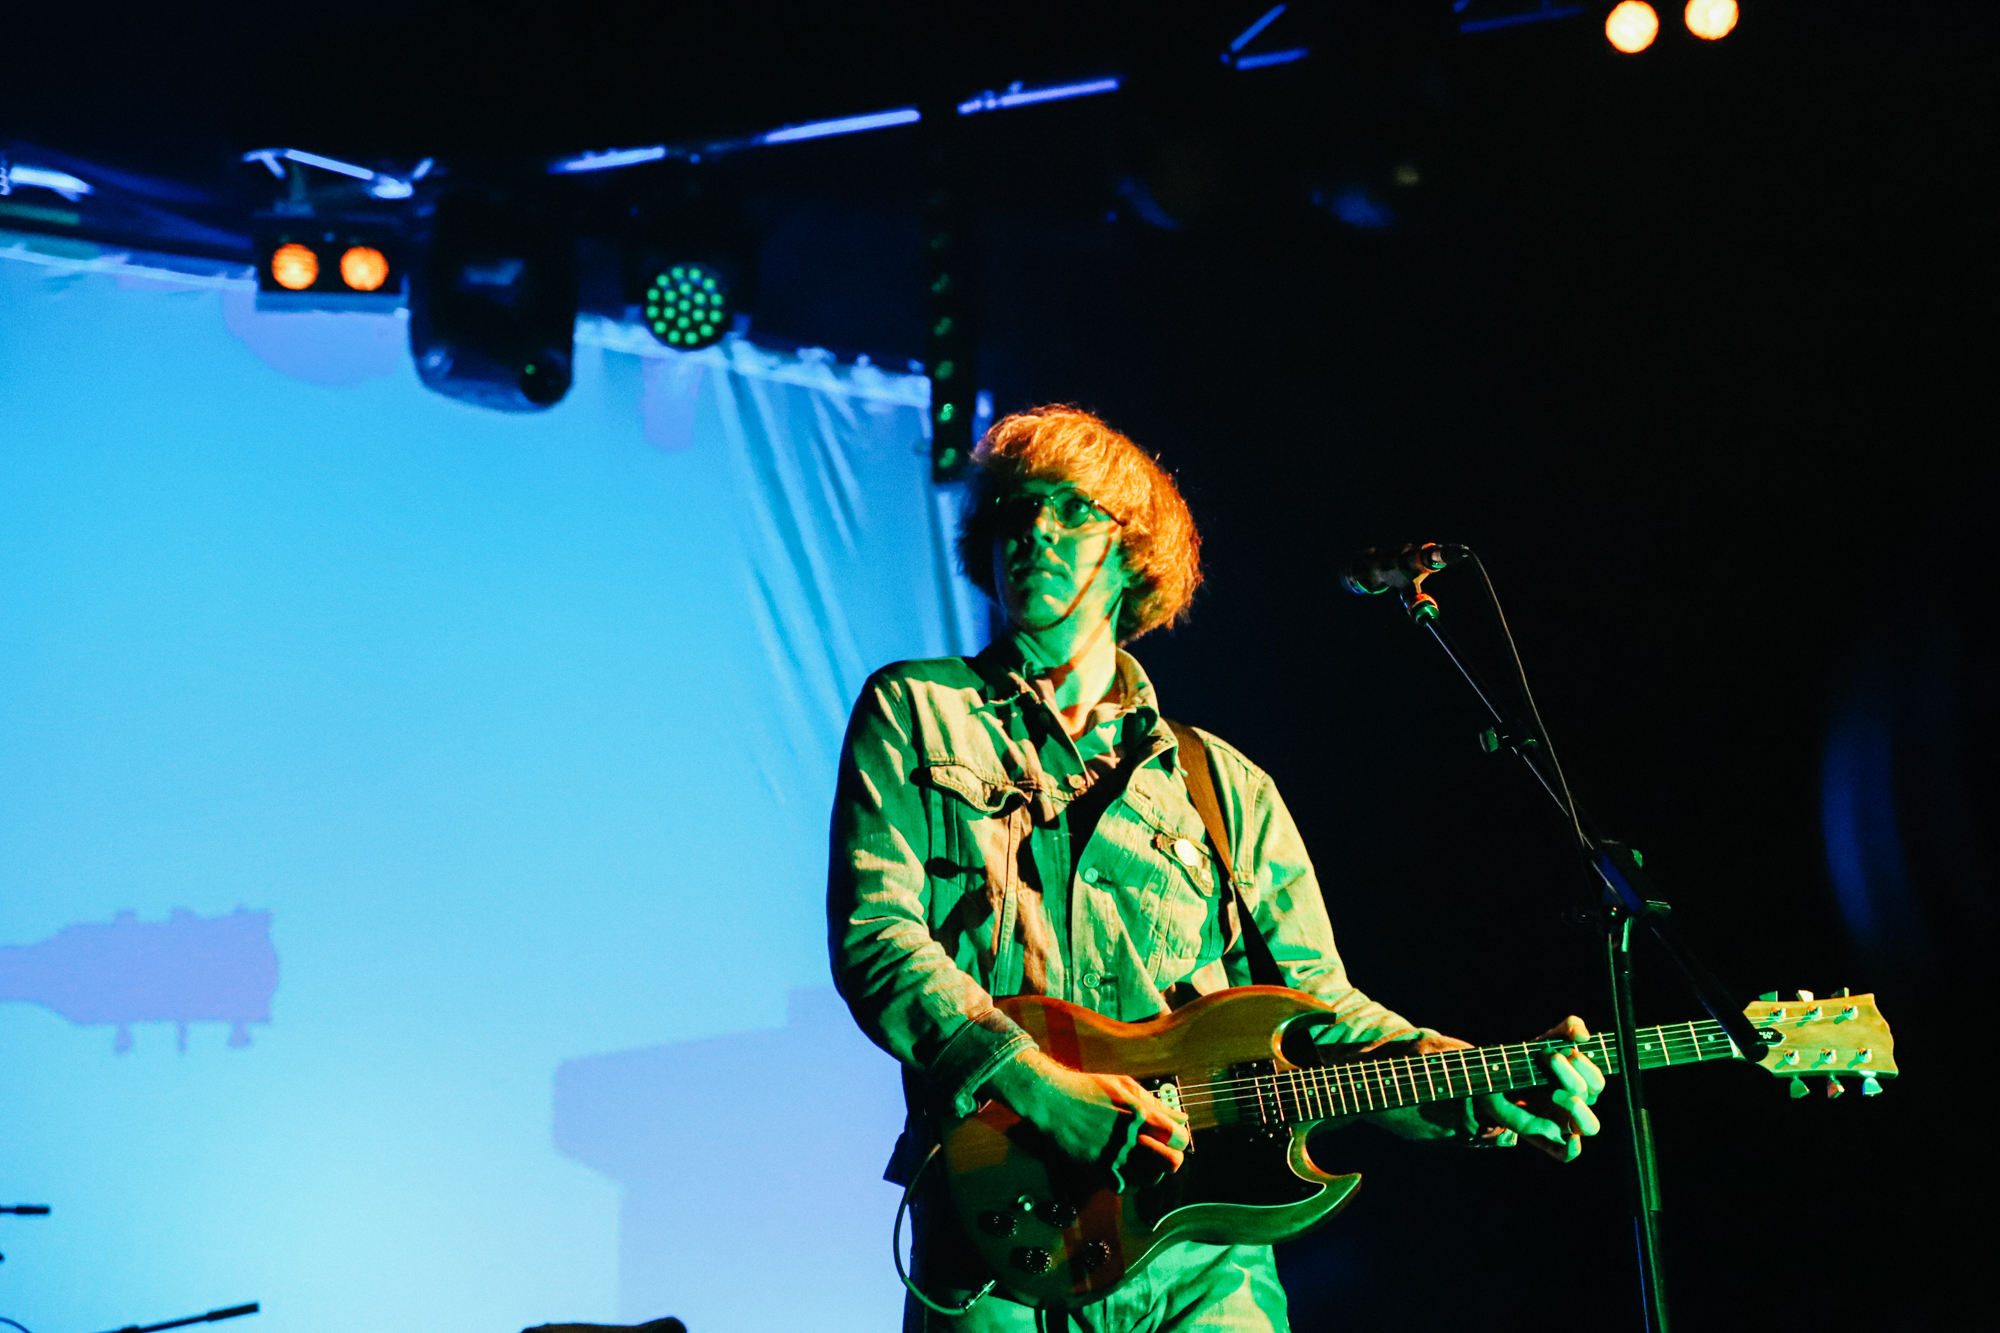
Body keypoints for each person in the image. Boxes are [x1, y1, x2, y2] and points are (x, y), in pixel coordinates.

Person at [827, 407, 1605, 1332]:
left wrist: (1470, 1082)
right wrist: (1040, 1088)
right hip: (999, 1231)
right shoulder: (918, 709)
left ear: (1133, 551)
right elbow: (878, 938)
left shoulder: (1227, 786)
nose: (1033, 528)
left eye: (1070, 508)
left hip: (1205, 1263)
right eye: (1014, 509)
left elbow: (1321, 1010)